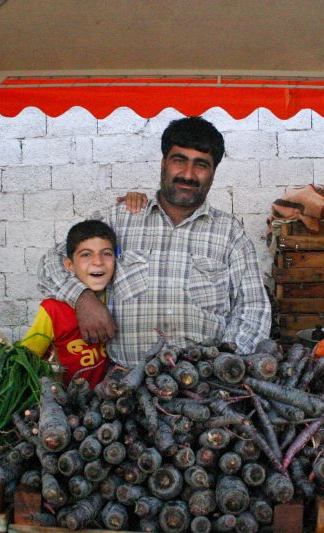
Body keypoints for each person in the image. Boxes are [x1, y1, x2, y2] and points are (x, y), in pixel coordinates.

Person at [38, 116, 271, 368]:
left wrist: (225, 366)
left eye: (201, 165)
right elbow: (52, 263)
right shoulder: (120, 220)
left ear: (213, 173)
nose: (188, 174)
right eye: (179, 160)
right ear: (163, 163)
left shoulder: (230, 233)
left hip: (204, 381)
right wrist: (83, 299)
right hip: (125, 380)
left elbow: (253, 309)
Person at [21, 220, 116, 387]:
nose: (98, 262)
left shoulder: (114, 301)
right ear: (69, 265)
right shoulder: (52, 309)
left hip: (101, 398)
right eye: (86, 254)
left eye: (106, 253)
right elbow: (27, 358)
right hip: (62, 397)